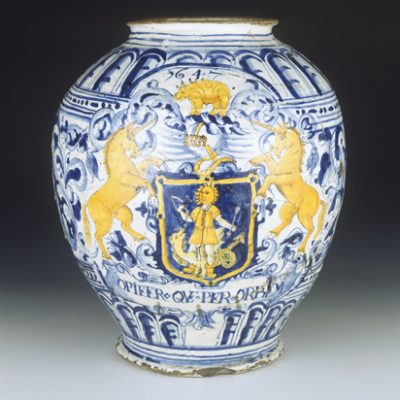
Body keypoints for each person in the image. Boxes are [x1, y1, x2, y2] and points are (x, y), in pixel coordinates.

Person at [178, 184, 236, 278]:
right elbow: (189, 219)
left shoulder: (213, 209)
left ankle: (209, 270)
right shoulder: (197, 210)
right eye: (202, 193)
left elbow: (220, 221)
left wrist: (230, 226)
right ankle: (194, 268)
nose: (203, 195)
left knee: (210, 252)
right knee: (194, 251)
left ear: (213, 196)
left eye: (207, 193)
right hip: (197, 233)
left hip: (208, 233)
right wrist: (181, 211)